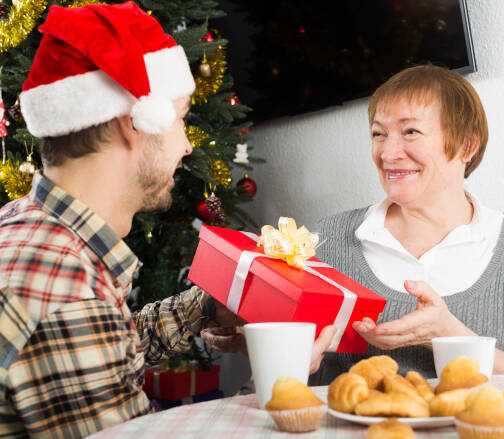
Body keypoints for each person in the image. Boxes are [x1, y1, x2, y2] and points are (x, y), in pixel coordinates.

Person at [0, 3, 334, 438]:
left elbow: (110, 348)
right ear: (132, 124)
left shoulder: (29, 226)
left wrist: (204, 307)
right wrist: (278, 377)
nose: (188, 147)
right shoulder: (67, 289)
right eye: (180, 120)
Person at [309, 65, 504, 385]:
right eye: (379, 134)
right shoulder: (326, 240)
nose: (388, 153)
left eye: (410, 132)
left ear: (467, 145)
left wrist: (446, 335)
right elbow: (295, 376)